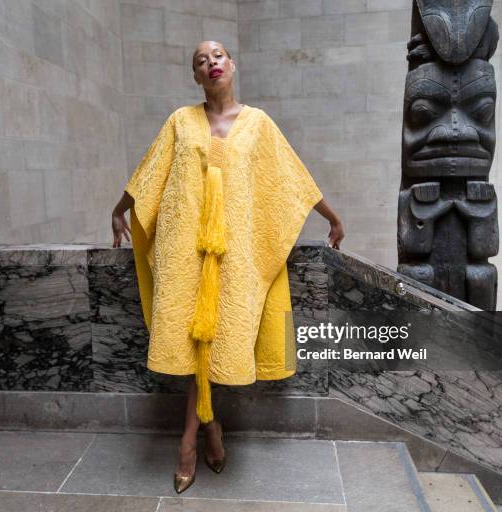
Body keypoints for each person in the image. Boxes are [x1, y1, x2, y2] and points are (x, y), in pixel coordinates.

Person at [111, 40, 345, 494]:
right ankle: (206, 430)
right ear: (195, 77)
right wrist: (119, 209)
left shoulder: (258, 125)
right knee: (190, 341)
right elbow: (149, 174)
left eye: (217, 55)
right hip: (186, 255)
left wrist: (332, 217)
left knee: (219, 343)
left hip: (235, 255)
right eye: (201, 60)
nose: (211, 63)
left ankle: (191, 439)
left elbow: (292, 179)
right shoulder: (181, 121)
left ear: (232, 65)